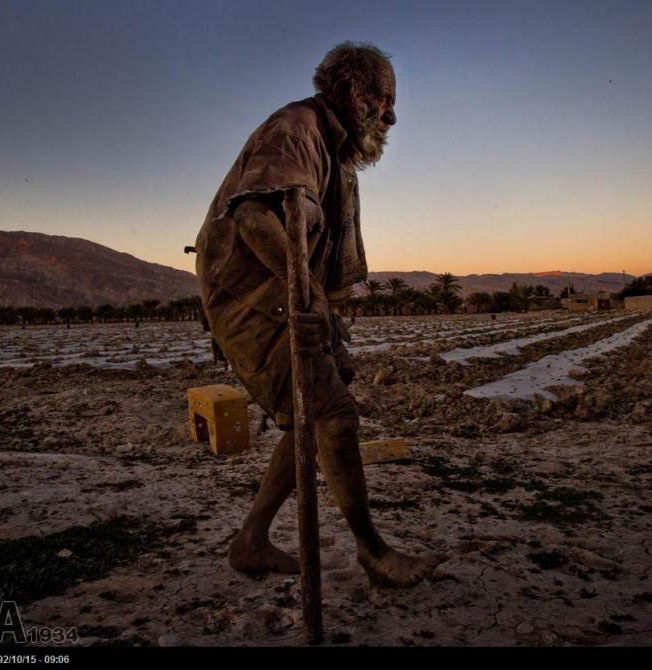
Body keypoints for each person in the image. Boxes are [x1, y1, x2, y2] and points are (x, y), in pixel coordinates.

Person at [195, 42, 439, 588]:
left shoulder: (337, 152)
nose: (391, 115)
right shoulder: (297, 129)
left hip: (287, 294)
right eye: (383, 99)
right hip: (253, 301)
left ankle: (251, 540)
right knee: (333, 413)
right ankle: (371, 550)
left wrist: (318, 303)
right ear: (352, 90)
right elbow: (257, 218)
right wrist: (303, 296)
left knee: (315, 411)